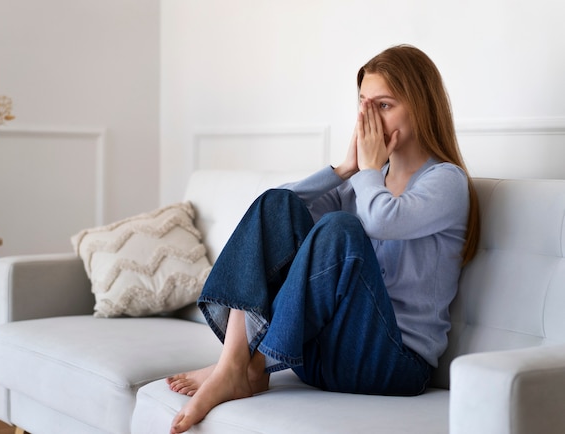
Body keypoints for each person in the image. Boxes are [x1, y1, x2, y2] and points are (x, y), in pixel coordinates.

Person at [166, 44, 480, 434]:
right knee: (276, 203)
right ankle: (235, 363)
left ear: (420, 106)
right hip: (319, 357)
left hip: (394, 365)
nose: (370, 119)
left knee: (339, 229)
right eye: (364, 105)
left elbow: (383, 221)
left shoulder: (445, 180)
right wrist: (344, 168)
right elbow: (280, 209)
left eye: (383, 106)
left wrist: (365, 171)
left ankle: (249, 365)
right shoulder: (362, 181)